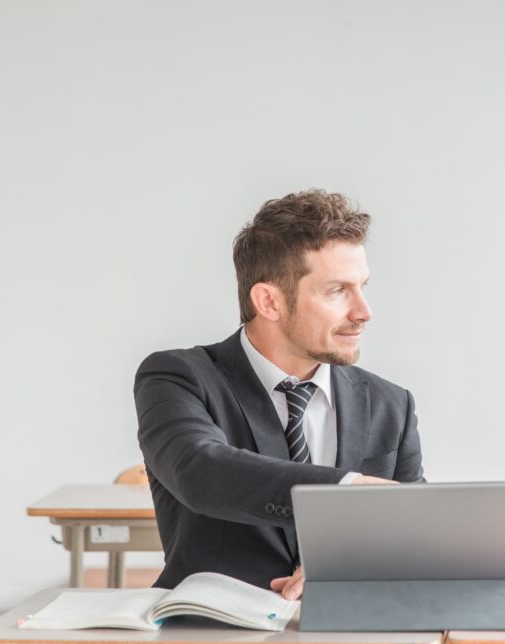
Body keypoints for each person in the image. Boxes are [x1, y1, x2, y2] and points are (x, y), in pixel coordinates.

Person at [134, 189, 423, 599]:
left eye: (362, 287)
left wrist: (347, 563)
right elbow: (199, 471)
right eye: (337, 291)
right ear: (268, 301)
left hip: (358, 636)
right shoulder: (179, 376)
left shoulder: (390, 404)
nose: (363, 311)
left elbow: (416, 531)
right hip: (212, 640)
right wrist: (348, 490)